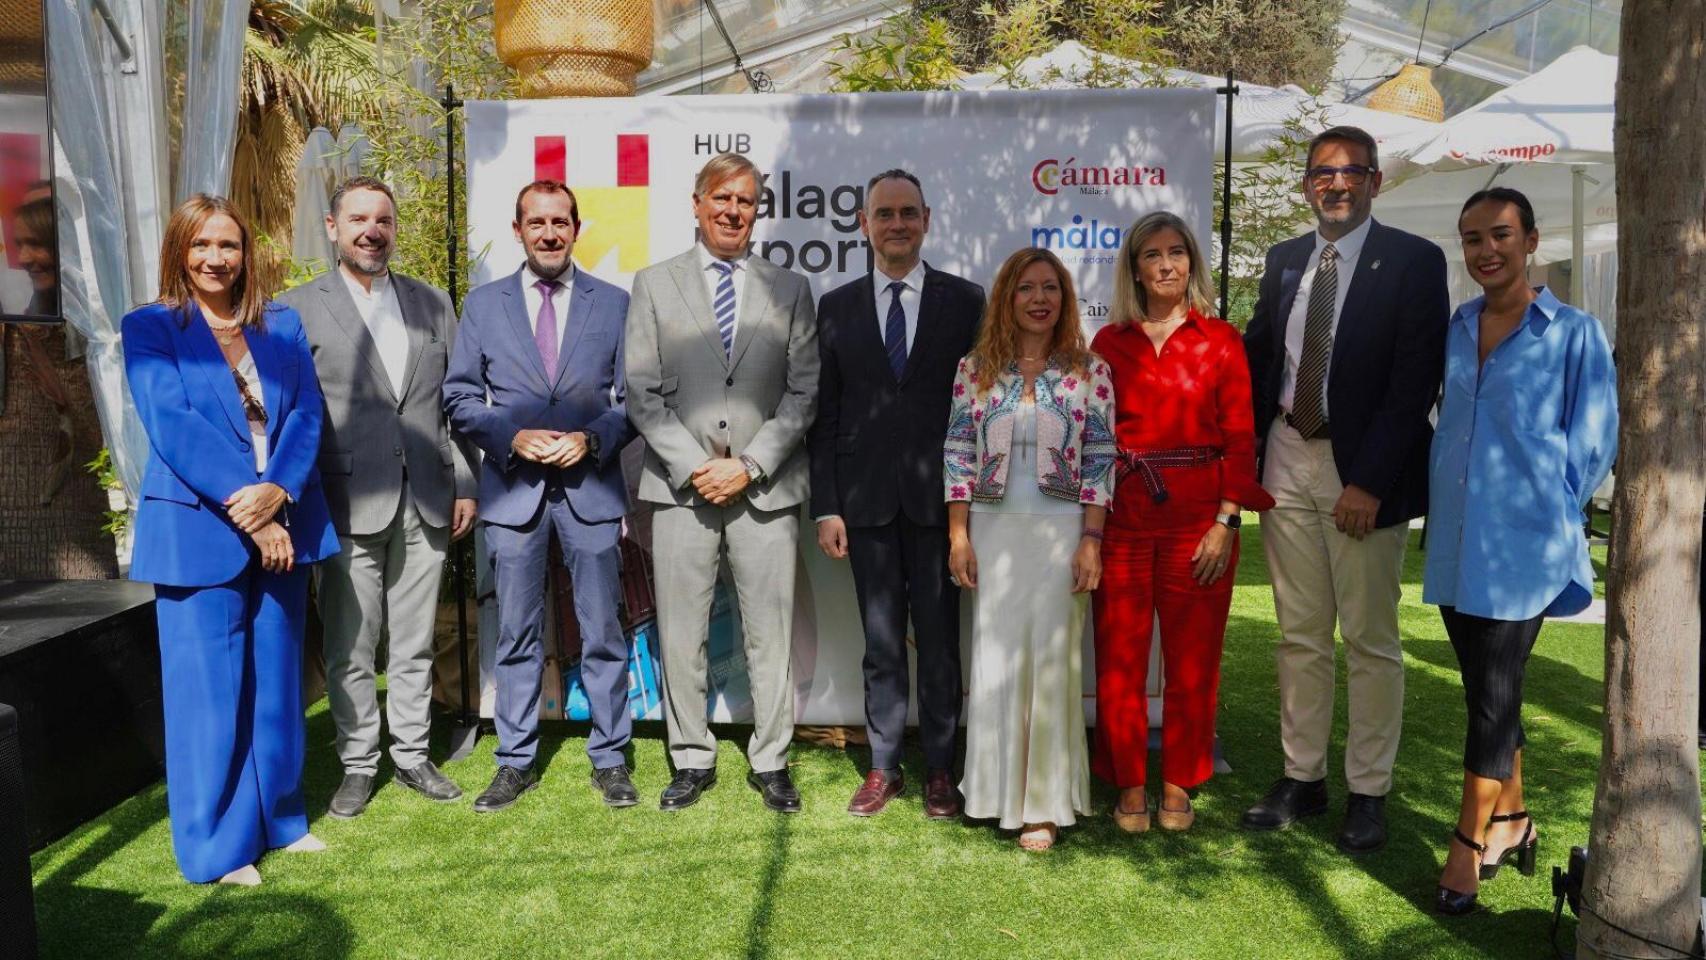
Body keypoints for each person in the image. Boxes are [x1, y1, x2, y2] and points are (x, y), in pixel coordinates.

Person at [1240, 125, 1449, 853]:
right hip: (1286, 460)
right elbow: (1260, 352)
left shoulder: (1415, 262)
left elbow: (1414, 380)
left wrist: (1368, 481)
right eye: (1323, 173)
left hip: (1360, 472)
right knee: (1299, 634)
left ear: (1374, 182)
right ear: (1307, 184)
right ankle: (1303, 778)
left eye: (1352, 171)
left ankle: (1369, 790)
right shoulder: (1285, 260)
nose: (1336, 184)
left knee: (1368, 638)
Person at [121, 194, 340, 885]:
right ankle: (216, 848)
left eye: (229, 245)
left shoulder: (281, 323)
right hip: (199, 530)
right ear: (179, 251)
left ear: (248, 253)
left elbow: (305, 411)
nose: (216, 258)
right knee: (209, 695)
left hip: (283, 520)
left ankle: (279, 819)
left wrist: (281, 490)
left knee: (277, 684)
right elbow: (175, 424)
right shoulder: (150, 327)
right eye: (201, 245)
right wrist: (259, 513)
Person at [1424, 187, 1616, 914]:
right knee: (1486, 693)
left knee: (1495, 695)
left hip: (1525, 548)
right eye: (1472, 238)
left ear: (1531, 240)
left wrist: (1543, 504)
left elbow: (1595, 441)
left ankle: (1466, 845)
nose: (1486, 250)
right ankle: (1512, 819)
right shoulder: (1458, 324)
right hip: (1456, 541)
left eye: (1500, 234)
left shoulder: (1575, 333)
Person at [625, 153, 819, 813]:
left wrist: (750, 463)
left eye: (746, 201)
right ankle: (689, 760)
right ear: (698, 202)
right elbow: (641, 392)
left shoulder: (790, 289)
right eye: (723, 199)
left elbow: (803, 391)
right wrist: (696, 465)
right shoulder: (653, 284)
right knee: (682, 632)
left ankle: (771, 761)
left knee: (772, 632)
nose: (734, 211)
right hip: (682, 488)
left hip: (766, 486)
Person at [279, 176, 478, 819]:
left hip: (428, 497)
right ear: (332, 228)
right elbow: (287, 413)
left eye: (384, 220)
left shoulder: (432, 302)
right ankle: (359, 762)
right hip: (343, 502)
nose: (373, 230)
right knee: (351, 644)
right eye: (358, 219)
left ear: (395, 229)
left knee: (416, 639)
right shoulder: (295, 309)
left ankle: (413, 753)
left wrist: (466, 483)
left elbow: (453, 403)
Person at [444, 179, 636, 812]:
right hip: (513, 493)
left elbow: (636, 400)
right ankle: (514, 760)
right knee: (517, 634)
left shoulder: (613, 302)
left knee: (604, 630)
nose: (549, 232)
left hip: (591, 489)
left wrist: (592, 440)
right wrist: (513, 435)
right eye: (537, 222)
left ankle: (610, 759)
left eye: (561, 222)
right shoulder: (484, 304)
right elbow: (460, 398)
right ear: (518, 228)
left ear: (576, 228)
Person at [807, 169, 984, 819]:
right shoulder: (837, 307)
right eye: (885, 214)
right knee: (881, 643)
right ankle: (884, 767)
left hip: (944, 508)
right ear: (865, 224)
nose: (898, 224)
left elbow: (979, 409)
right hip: (865, 506)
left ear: (928, 219)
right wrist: (827, 504)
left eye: (909, 213)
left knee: (939, 643)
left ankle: (940, 767)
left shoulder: (966, 302)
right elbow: (824, 415)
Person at [1089, 212, 1273, 833]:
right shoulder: (1108, 343)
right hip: (1123, 514)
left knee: (1194, 662)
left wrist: (1228, 521)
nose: (1166, 264)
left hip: (1201, 516)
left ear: (1192, 262)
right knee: (1119, 658)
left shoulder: (1220, 339)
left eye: (1176, 252)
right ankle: (1129, 784)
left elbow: (1241, 439)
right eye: (1152, 255)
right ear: (1134, 268)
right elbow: (1092, 437)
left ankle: (1178, 784)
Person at [945, 246, 1116, 851]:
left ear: (1065, 299)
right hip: (991, 530)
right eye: (1026, 288)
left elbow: (1100, 457)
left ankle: (1044, 803)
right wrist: (959, 533)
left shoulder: (1090, 371)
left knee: (1051, 662)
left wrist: (1091, 539)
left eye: (1050, 288)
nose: (1039, 299)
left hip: (1060, 531)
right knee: (993, 659)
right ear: (1007, 299)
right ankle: (991, 793)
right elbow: (958, 454)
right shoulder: (975, 368)